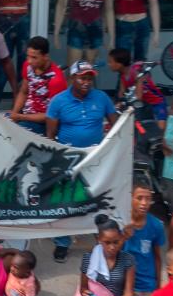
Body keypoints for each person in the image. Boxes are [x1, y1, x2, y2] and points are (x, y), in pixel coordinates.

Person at [44, 60, 119, 262]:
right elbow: (50, 135)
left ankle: (101, 239)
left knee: (97, 200)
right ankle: (62, 243)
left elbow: (116, 124)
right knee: (65, 202)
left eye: (89, 78)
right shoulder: (58, 101)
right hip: (68, 159)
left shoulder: (102, 98)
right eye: (82, 78)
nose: (86, 82)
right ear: (72, 78)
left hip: (96, 159)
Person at [120, 183, 166, 296]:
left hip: (145, 287)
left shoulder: (156, 226)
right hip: (121, 285)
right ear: (130, 199)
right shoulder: (120, 223)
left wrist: (158, 286)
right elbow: (107, 252)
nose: (144, 203)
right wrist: (123, 237)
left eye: (148, 199)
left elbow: (157, 256)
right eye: (139, 198)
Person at [79, 217, 135, 296]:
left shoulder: (127, 260)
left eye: (116, 242)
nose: (112, 247)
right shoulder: (89, 259)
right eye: (107, 243)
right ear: (99, 240)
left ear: (121, 238)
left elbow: (129, 293)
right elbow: (83, 288)